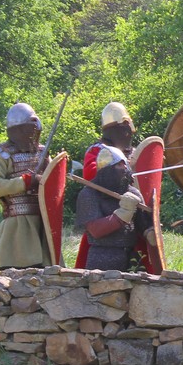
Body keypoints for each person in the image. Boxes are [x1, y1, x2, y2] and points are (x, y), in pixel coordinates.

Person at [76, 102, 152, 271]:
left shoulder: (133, 152)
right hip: (105, 215)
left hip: (133, 220)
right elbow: (92, 176)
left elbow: (146, 179)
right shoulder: (98, 151)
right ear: (120, 128)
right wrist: (123, 167)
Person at [0, 103, 53, 270]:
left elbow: (53, 182)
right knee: (12, 277)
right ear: (19, 129)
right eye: (30, 128)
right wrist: (24, 182)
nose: (34, 131)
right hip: (16, 228)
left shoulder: (43, 153)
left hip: (43, 225)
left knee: (48, 278)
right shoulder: (2, 154)